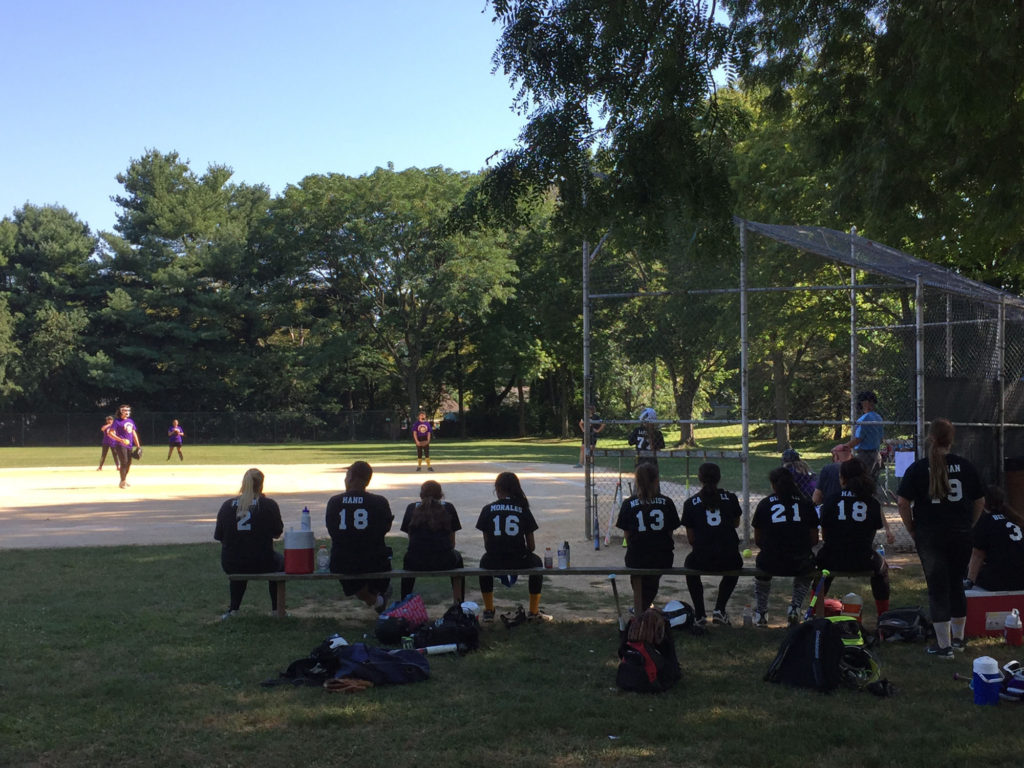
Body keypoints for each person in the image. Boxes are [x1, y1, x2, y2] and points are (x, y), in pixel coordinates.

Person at [897, 418, 984, 658]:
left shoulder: (918, 468)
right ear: (951, 439)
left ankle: (943, 645)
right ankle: (958, 639)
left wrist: (912, 528)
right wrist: (970, 524)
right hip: (960, 533)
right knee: (956, 584)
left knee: (937, 588)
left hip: (931, 535)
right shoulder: (965, 466)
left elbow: (903, 502)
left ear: (930, 438)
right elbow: (980, 500)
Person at [816, 458, 893, 621]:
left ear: (843, 478)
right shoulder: (872, 502)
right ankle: (883, 618)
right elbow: (871, 531)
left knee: (822, 565)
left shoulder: (831, 499)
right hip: (862, 558)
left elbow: (824, 533)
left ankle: (814, 611)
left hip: (833, 558)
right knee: (882, 569)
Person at [475, 471, 551, 622]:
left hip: (494, 559)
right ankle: (534, 611)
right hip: (519, 559)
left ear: (497, 488)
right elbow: (531, 546)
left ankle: (489, 610)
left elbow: (487, 544)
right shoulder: (523, 508)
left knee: (484, 563)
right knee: (537, 563)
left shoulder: (488, 509)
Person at [751, 467, 819, 627]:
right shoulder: (806, 503)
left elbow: (758, 540)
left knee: (762, 564)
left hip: (770, 562)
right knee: (808, 566)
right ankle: (795, 607)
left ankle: (761, 613)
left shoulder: (765, 504)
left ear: (773, 485)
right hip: (800, 562)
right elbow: (814, 539)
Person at [213, 468, 284, 619]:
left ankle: (234, 610)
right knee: (280, 562)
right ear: (261, 485)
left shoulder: (227, 505)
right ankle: (276, 610)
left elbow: (219, 536)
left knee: (239, 556)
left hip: (231, 563)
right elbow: (277, 533)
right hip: (263, 563)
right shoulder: (268, 504)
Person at [326, 460, 394, 612]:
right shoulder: (379, 501)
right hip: (373, 559)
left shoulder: (335, 502)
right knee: (382, 557)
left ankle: (375, 599)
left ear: (351, 477)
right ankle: (377, 597)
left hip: (342, 562)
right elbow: (385, 528)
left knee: (345, 561)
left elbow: (332, 531)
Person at [615, 462, 682, 615]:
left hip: (636, 557)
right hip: (663, 558)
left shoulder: (628, 503)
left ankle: (641, 607)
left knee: (636, 567)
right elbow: (669, 533)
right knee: (652, 573)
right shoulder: (667, 502)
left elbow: (628, 536)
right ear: (656, 481)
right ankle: (644, 605)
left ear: (636, 481)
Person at [681, 462, 742, 627]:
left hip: (702, 558)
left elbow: (691, 539)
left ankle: (700, 614)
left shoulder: (690, 503)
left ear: (699, 479)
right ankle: (719, 609)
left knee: (689, 565)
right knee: (736, 562)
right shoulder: (731, 498)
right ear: (719, 478)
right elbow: (736, 524)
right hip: (728, 557)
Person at [400, 479, 465, 605]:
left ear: (421, 495)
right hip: (444, 560)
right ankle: (459, 603)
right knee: (458, 559)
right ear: (441, 495)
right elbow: (452, 543)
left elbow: (411, 539)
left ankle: (404, 604)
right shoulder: (448, 507)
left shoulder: (411, 508)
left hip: (415, 562)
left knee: (408, 558)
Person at [966, 486, 1024, 592]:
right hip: (1020, 580)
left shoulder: (985, 522)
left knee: (964, 591)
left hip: (999, 581)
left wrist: (969, 582)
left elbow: (977, 556)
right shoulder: (1013, 520)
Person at [847, 391, 884, 488]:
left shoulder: (864, 419)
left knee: (861, 481)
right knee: (872, 483)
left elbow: (858, 439)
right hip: (877, 455)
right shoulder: (878, 417)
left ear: (865, 403)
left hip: (865, 454)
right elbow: (881, 438)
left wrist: (845, 447)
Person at [110, 404, 141, 489]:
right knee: (124, 462)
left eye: (128, 410)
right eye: (125, 410)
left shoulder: (130, 421)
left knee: (128, 463)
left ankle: (123, 480)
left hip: (129, 445)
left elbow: (133, 433)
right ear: (121, 411)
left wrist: (138, 446)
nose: (127, 412)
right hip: (120, 445)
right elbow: (111, 433)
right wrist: (120, 440)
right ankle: (123, 482)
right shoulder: (117, 421)